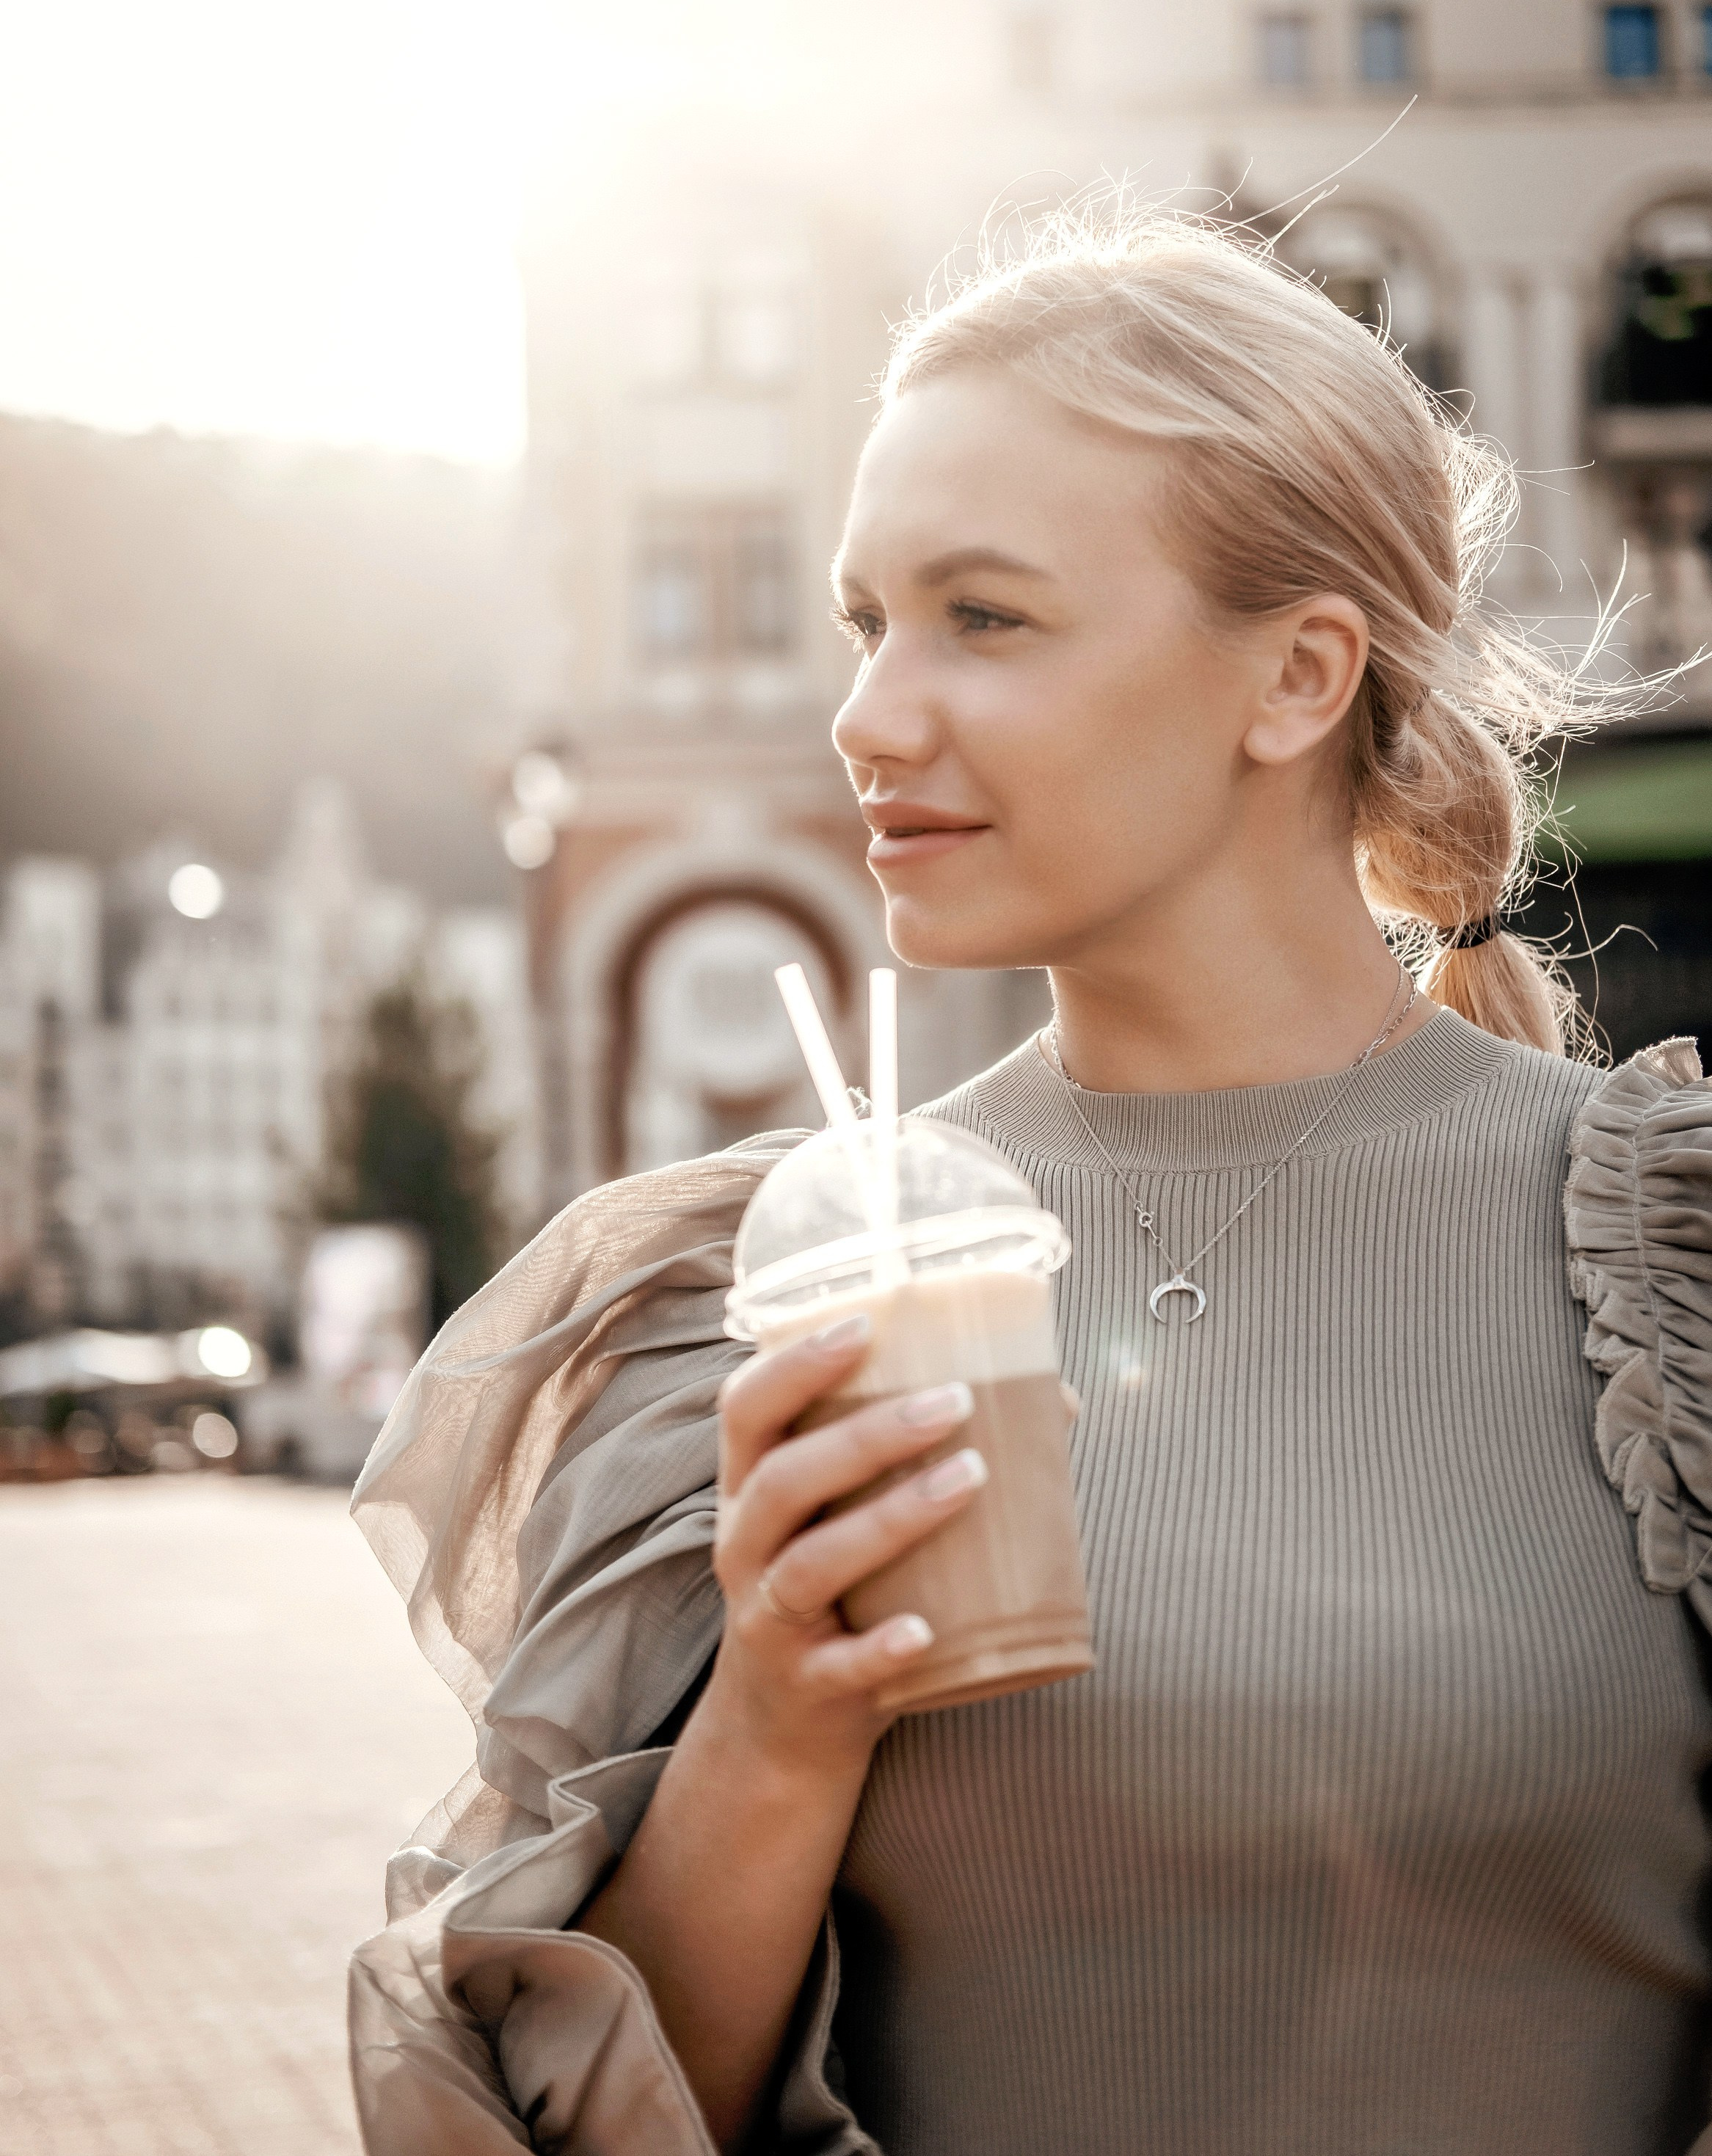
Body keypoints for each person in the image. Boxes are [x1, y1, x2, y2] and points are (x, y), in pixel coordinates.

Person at [348, 212, 1712, 2156]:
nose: (870, 714)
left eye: (983, 617)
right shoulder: (779, 1276)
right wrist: (773, 1728)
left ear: (1298, 674)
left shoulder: (1671, 1258)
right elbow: (594, 2113)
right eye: (868, 619)